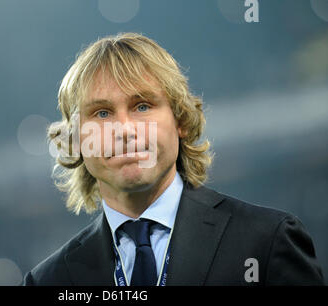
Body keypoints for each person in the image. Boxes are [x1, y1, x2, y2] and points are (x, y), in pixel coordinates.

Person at [24, 32, 324, 286]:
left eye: (142, 106)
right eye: (102, 113)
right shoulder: (49, 280)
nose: (124, 129)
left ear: (180, 119)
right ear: (76, 140)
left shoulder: (267, 242)